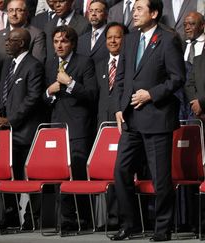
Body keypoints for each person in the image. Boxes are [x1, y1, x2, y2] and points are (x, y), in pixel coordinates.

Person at [110, 0, 185, 240]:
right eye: (134, 9)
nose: (134, 12)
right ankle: (129, 224)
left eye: (140, 8)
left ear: (154, 13)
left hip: (157, 118)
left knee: (160, 176)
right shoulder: (130, 38)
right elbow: (121, 78)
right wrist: (119, 108)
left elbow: (177, 78)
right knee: (121, 171)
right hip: (131, 119)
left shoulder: (168, 38)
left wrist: (151, 94)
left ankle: (162, 229)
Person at [0, 28, 46, 230]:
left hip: (26, 132)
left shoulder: (34, 66)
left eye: (10, 40)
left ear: (21, 43)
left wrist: (9, 120)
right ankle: (11, 216)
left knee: (30, 178)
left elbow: (32, 99)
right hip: (8, 135)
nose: (6, 43)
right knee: (8, 176)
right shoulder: (7, 64)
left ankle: (32, 219)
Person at [43, 25, 98, 230]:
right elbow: (43, 98)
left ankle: (84, 219)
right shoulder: (49, 63)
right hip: (57, 129)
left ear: (72, 43)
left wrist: (71, 83)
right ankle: (65, 218)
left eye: (64, 41)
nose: (59, 45)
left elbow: (92, 95)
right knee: (60, 175)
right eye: (56, 41)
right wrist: (49, 91)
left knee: (79, 175)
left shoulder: (85, 62)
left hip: (78, 128)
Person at [94, 22, 128, 230]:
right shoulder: (98, 64)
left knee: (121, 173)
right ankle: (110, 219)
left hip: (123, 125)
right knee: (106, 172)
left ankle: (124, 219)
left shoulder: (130, 62)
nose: (113, 41)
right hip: (101, 126)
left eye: (117, 37)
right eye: (109, 38)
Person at [77, 0, 110, 64]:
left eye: (98, 11)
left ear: (106, 15)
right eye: (91, 11)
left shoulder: (111, 37)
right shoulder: (81, 39)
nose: (93, 14)